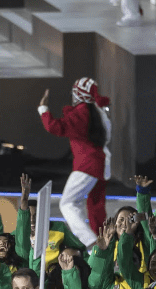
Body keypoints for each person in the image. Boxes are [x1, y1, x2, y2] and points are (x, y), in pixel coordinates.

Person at [38, 79, 111, 248]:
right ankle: (102, 243)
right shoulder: (96, 112)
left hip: (87, 165)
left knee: (67, 203)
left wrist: (43, 108)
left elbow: (54, 127)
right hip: (100, 163)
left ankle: (91, 242)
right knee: (94, 207)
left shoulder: (82, 113)